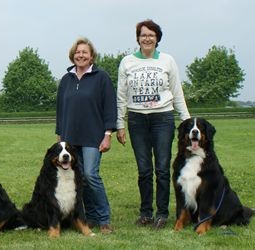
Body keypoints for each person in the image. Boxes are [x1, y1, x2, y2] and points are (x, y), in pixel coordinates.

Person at [116, 19, 190, 229]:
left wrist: (186, 121)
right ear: (138, 39)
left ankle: (162, 214)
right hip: (137, 120)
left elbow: (177, 93)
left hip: (162, 119)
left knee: (163, 169)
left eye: (151, 35)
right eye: (143, 35)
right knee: (144, 170)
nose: (147, 38)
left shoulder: (167, 61)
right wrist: (119, 123)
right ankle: (146, 213)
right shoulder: (127, 62)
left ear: (157, 39)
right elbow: (121, 96)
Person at [55, 37, 117, 234]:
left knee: (91, 175)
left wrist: (108, 134)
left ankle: (104, 218)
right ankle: (89, 217)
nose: (80, 55)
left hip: (93, 137)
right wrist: (60, 138)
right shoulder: (66, 80)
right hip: (70, 138)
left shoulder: (101, 78)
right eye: (77, 52)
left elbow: (109, 108)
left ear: (91, 57)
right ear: (73, 55)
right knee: (80, 179)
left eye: (85, 52)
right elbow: (60, 110)